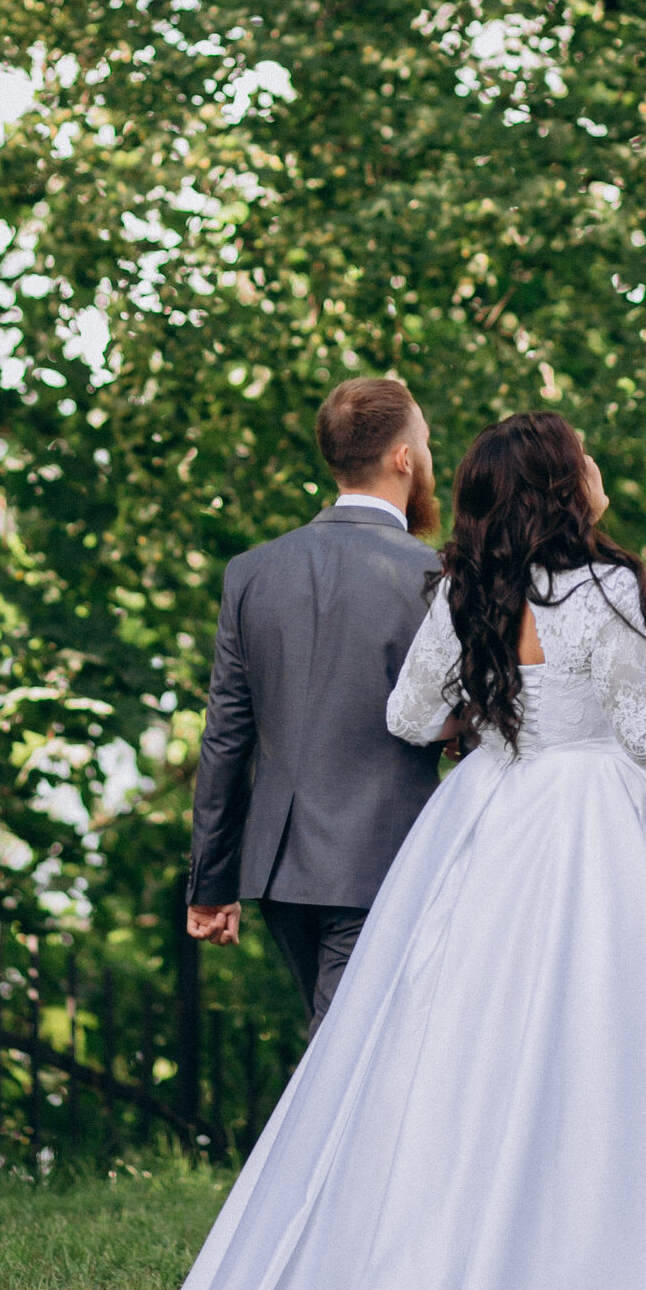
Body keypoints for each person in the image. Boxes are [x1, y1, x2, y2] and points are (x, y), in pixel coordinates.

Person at [167, 410, 646, 1290]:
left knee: (460, 1060)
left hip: (489, 815)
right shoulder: (606, 588)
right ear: (565, 486)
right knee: (615, 1057)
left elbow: (406, 717)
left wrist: (492, 712)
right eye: (585, 458)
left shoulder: (467, 586)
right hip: (596, 826)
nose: (600, 467)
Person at [186, 375, 443, 1034]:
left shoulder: (253, 571)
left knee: (345, 1053)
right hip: (385, 859)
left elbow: (225, 736)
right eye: (427, 442)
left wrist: (212, 884)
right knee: (352, 1065)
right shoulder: (437, 577)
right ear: (404, 458)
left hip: (279, 873)